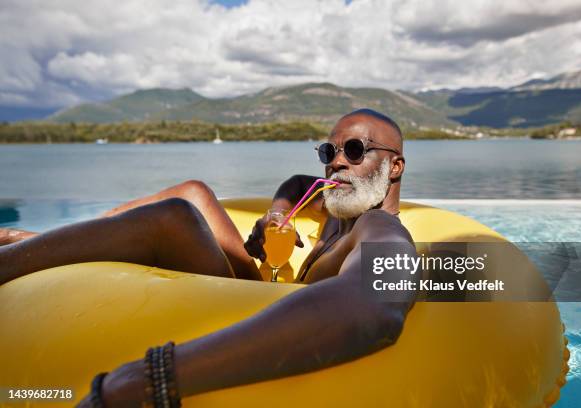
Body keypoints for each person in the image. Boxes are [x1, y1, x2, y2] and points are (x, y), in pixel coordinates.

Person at [0, 109, 418, 406]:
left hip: (262, 313)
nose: (337, 162)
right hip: (260, 287)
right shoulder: (339, 197)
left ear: (395, 166)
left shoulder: (379, 228)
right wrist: (275, 214)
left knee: (174, 218)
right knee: (194, 193)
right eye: (329, 152)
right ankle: (45, 240)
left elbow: (375, 308)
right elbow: (296, 182)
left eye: (355, 149)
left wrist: (149, 379)